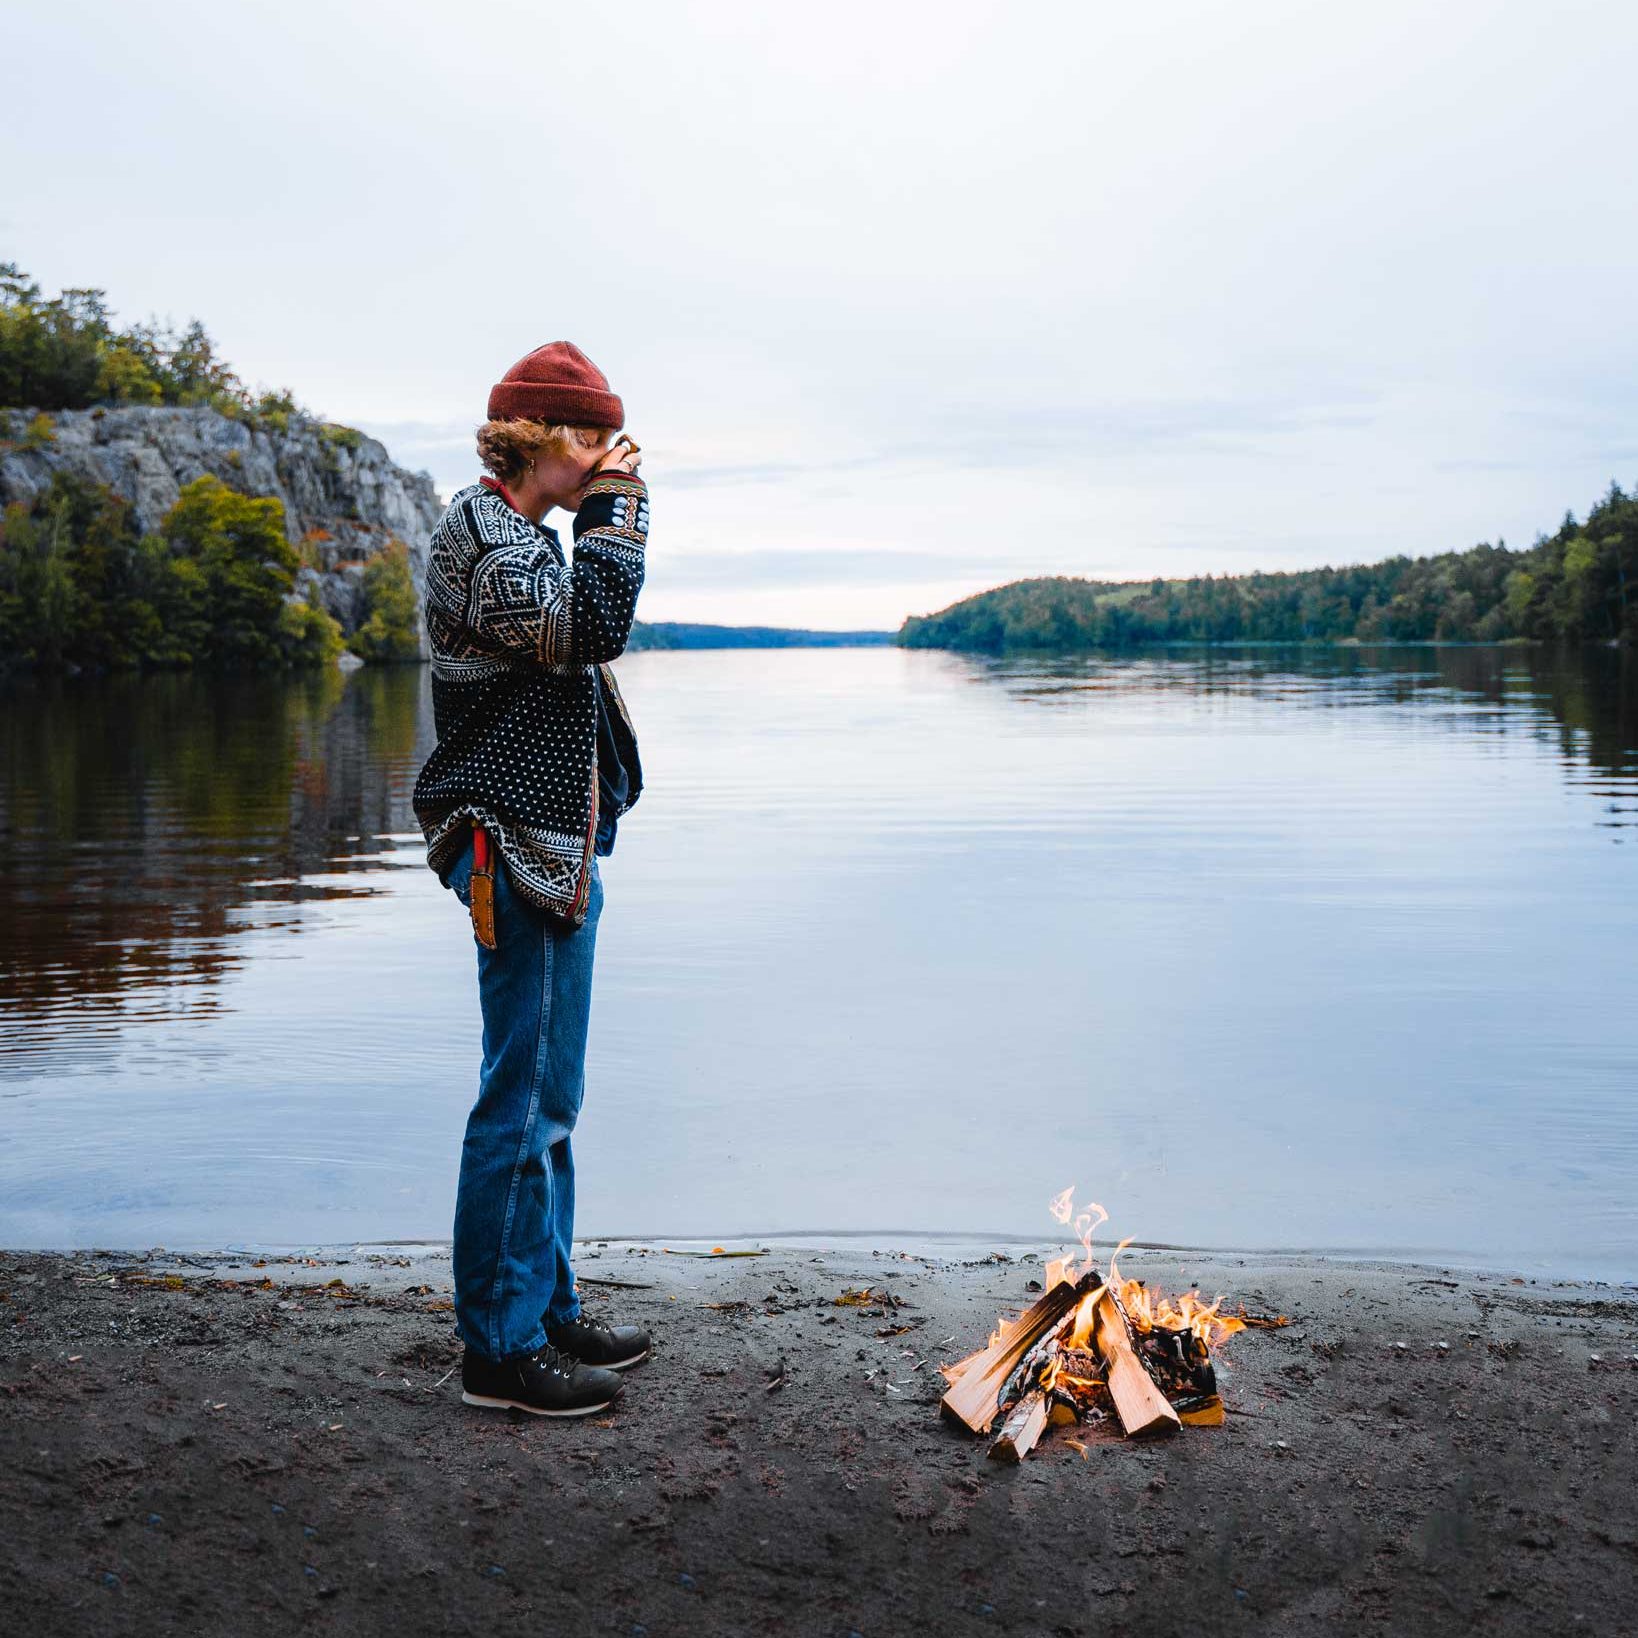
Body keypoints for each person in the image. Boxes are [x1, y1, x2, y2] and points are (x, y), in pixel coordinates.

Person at [412, 341, 651, 1417]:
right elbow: (583, 629)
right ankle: (499, 1353)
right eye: (592, 435)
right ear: (540, 438)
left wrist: (596, 517)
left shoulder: (522, 535)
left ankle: (544, 1307)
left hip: (550, 843)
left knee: (551, 1095)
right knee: (521, 1102)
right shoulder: (482, 531)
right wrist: (621, 516)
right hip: (510, 842)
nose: (610, 454)